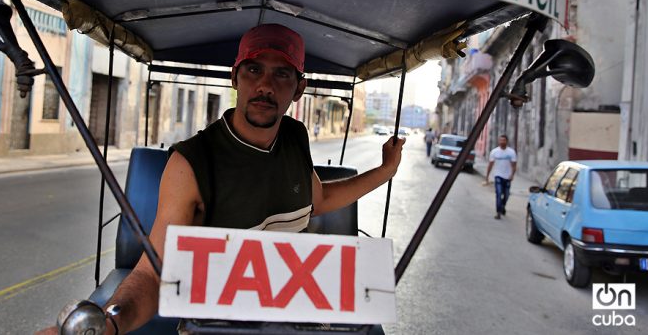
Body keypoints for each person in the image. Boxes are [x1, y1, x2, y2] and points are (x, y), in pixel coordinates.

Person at [41, 24, 404, 335]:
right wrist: (110, 323)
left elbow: (319, 200)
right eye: (253, 69)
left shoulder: (295, 136)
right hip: (219, 325)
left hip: (297, 318)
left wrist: (385, 171)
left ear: (299, 88)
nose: (265, 85)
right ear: (235, 77)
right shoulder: (191, 162)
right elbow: (153, 274)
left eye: (281, 74)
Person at [485, 134, 517, 219]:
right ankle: (498, 212)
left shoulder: (511, 152)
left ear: (507, 141)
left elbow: (514, 165)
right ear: (498, 141)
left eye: (504, 140)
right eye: (500, 140)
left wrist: (512, 175)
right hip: (498, 175)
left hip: (507, 176)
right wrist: (487, 176)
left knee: (506, 195)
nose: (502, 142)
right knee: (498, 193)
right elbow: (490, 164)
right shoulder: (494, 152)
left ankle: (502, 206)